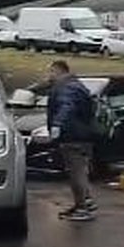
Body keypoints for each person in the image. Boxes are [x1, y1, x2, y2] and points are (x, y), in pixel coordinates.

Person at [45, 60, 97, 222]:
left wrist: (57, 124)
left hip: (73, 136)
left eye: (50, 71)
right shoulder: (75, 84)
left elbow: (66, 106)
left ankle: (82, 208)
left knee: (76, 173)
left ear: (58, 71)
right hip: (82, 135)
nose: (48, 75)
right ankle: (85, 202)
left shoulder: (66, 87)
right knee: (80, 171)